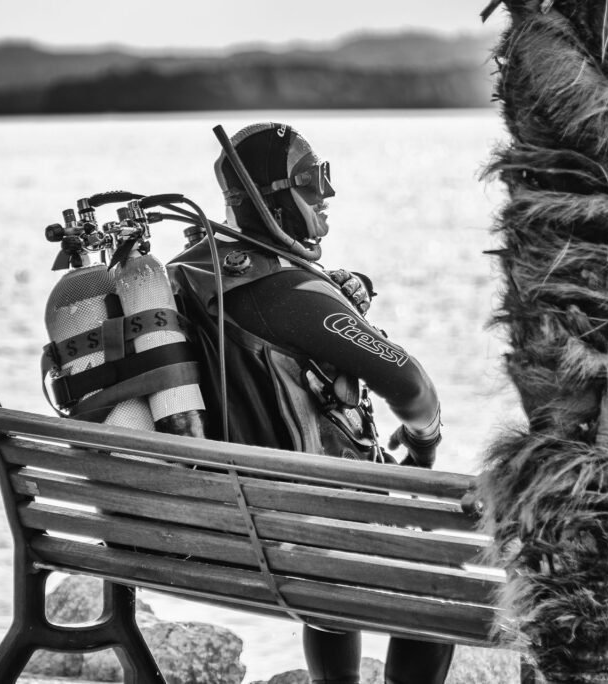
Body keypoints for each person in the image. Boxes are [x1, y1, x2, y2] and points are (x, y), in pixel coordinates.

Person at [167, 122, 451, 684]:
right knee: (438, 575)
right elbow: (412, 385)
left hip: (232, 521)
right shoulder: (290, 295)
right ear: (274, 195)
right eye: (313, 179)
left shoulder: (192, 276)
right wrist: (424, 440)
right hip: (304, 526)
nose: (327, 194)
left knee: (331, 554)